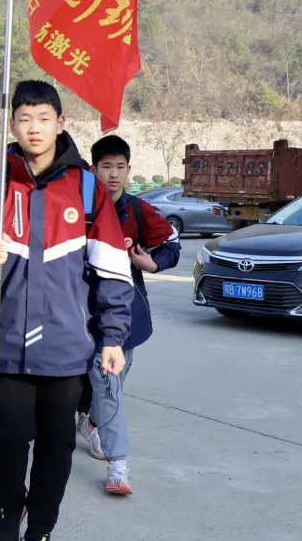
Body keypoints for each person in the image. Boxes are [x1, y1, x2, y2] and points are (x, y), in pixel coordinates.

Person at [0, 80, 133, 541]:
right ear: (12, 125)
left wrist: (113, 336)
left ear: (60, 123)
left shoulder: (87, 188)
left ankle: (42, 526)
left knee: (57, 446)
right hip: (7, 343)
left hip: (67, 347)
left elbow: (112, 267)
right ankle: (10, 508)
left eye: (44, 118)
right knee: (7, 441)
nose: (34, 128)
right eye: (25, 119)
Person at [81, 134, 180, 495]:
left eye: (120, 167)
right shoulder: (78, 209)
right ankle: (118, 466)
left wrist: (153, 263)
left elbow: (171, 243)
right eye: (106, 166)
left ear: (128, 170)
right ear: (93, 170)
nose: (113, 174)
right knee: (108, 385)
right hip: (83, 313)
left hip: (126, 315)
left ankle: (93, 424)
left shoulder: (137, 210)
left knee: (113, 385)